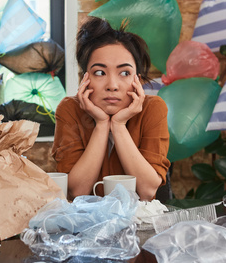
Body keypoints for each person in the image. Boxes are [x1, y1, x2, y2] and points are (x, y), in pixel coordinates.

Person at [51, 17, 170, 201]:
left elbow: (147, 191)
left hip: (138, 224)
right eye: (100, 72)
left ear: (136, 80)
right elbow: (77, 192)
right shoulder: (70, 110)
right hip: (85, 224)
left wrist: (119, 125)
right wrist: (101, 124)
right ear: (85, 78)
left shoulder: (153, 109)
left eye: (124, 73)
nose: (112, 85)